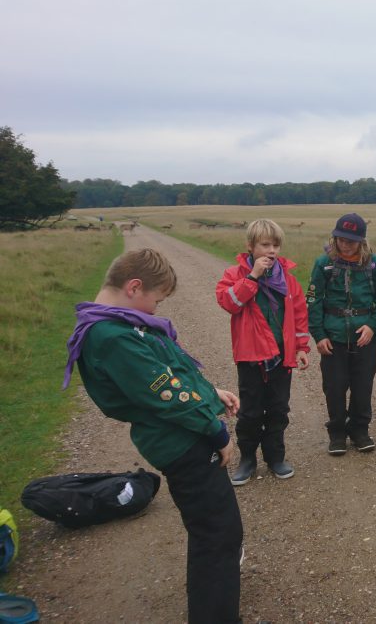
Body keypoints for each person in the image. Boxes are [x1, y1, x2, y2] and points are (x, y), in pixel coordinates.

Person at [63, 248, 242, 623]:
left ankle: (216, 600)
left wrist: (211, 394)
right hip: (183, 443)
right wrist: (217, 432)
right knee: (217, 535)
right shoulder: (113, 337)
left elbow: (170, 374)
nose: (157, 310)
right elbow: (170, 396)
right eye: (156, 300)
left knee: (218, 531)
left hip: (180, 435)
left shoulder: (119, 325)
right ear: (134, 287)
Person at [216, 218, 311, 485]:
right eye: (265, 245)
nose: (271, 251)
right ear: (250, 246)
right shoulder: (234, 275)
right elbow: (229, 303)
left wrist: (302, 347)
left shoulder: (289, 281)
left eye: (276, 245)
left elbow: (299, 315)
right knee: (250, 411)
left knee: (279, 408)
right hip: (250, 356)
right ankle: (247, 459)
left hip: (282, 355)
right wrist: (253, 277)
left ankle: (275, 457)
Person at [307, 213, 376, 455]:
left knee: (362, 385)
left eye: (351, 241)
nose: (345, 245)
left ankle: (359, 430)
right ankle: (336, 433)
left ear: (362, 241)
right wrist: (319, 334)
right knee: (334, 387)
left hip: (365, 337)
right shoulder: (323, 263)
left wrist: (373, 325)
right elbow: (313, 301)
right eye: (341, 239)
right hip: (333, 337)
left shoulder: (375, 264)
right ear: (335, 238)